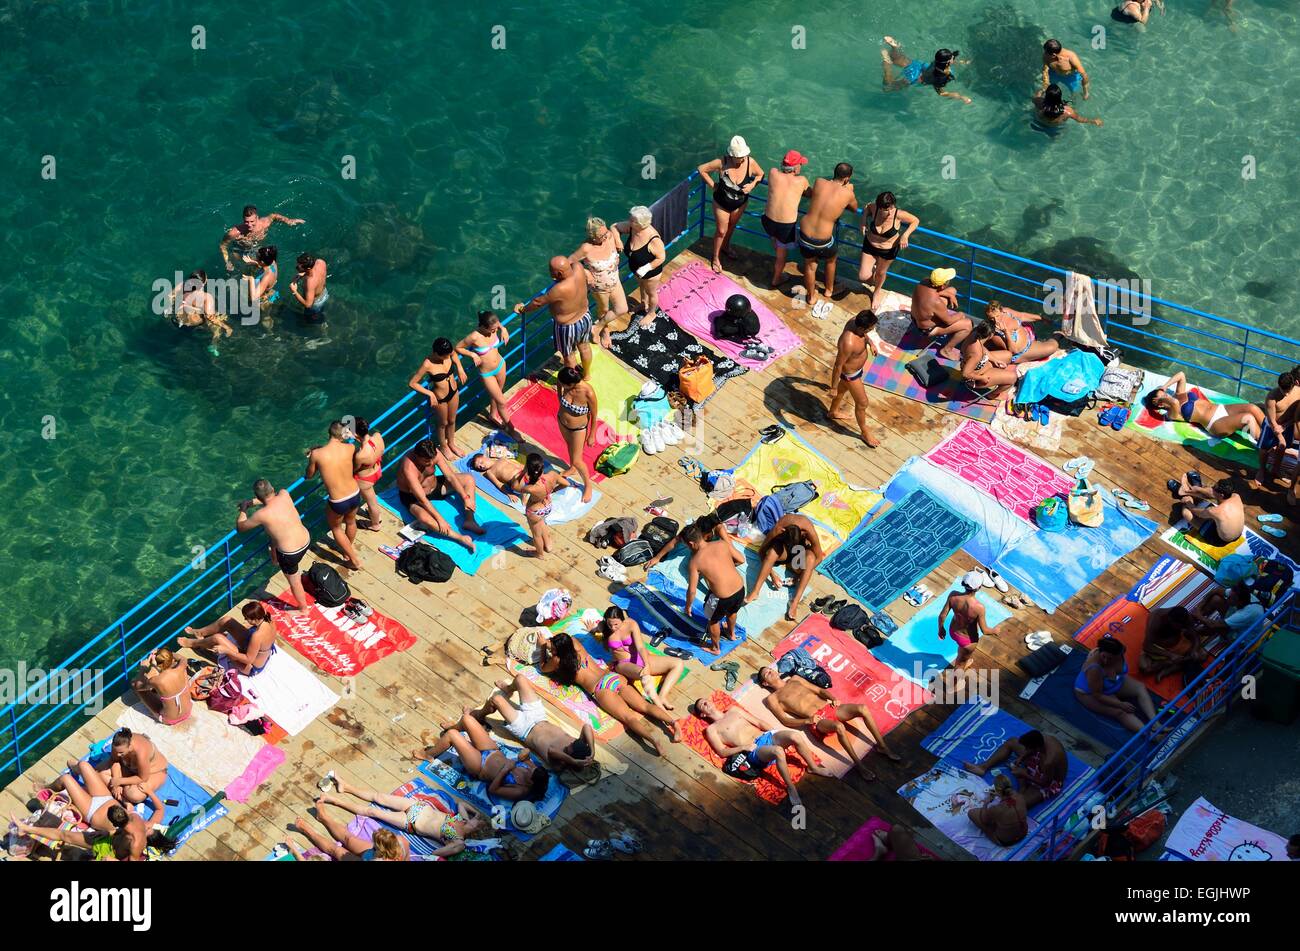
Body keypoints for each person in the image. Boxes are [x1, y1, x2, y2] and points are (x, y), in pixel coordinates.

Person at [537, 632, 680, 755]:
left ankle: (654, 741)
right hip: (612, 677)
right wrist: (552, 643)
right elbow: (566, 642)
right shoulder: (576, 645)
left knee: (629, 718)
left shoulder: (557, 661)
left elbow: (543, 667)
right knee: (644, 705)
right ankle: (673, 724)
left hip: (601, 689)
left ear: (558, 652)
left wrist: (544, 646)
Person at [757, 667, 901, 780]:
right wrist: (807, 721)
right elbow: (785, 720)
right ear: (765, 683)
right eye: (767, 674)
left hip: (829, 707)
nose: (771, 671)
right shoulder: (772, 699)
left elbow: (820, 690)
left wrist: (832, 698)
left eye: (770, 669)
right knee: (839, 726)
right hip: (817, 719)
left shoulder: (795, 679)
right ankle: (860, 765)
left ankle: (883, 746)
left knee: (862, 708)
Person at [692, 696, 834, 809]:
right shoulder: (712, 730)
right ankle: (791, 787)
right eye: (703, 705)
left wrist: (775, 732)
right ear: (703, 715)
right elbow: (722, 752)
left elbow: (759, 723)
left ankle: (813, 767)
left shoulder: (733, 710)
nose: (707, 703)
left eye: (706, 700)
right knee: (778, 751)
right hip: (754, 750)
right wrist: (743, 748)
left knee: (795, 736)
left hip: (766, 736)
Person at [314, 771, 486, 858]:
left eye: (476, 823)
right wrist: (477, 813)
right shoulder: (460, 818)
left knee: (372, 811)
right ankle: (346, 787)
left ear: (476, 832)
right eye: (475, 819)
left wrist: (445, 849)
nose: (474, 820)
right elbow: (462, 804)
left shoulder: (459, 841)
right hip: (417, 806)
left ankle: (334, 801)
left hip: (411, 822)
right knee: (378, 796)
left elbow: (437, 854)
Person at [472, 673, 597, 772]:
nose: (570, 743)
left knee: (496, 699)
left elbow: (552, 750)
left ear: (572, 757)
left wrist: (573, 762)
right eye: (573, 742)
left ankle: (479, 715)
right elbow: (587, 727)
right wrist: (592, 751)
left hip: (524, 728)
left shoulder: (560, 763)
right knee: (520, 679)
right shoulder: (576, 744)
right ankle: (508, 688)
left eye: (570, 747)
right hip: (539, 716)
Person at [421, 709, 553, 802]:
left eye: (530, 772)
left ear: (531, 781)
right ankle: (455, 726)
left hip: (480, 766)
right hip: (492, 750)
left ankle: (428, 755)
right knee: (467, 719)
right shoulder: (534, 770)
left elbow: (493, 790)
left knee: (452, 736)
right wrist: (525, 755)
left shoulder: (520, 791)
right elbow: (526, 758)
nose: (530, 768)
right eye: (532, 768)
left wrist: (505, 770)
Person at [587, 606, 686, 709]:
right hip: (623, 664)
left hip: (640, 657)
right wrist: (592, 631)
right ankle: (659, 706)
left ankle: (662, 696)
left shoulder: (631, 624)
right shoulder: (604, 627)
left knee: (678, 663)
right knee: (644, 676)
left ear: (622, 619)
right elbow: (600, 636)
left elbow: (640, 646)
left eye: (616, 624)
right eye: (610, 624)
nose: (613, 627)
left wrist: (646, 664)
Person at [236, 478, 311, 613]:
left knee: (294, 581)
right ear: (273, 489)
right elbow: (268, 498)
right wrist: (251, 502)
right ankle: (275, 557)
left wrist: (243, 509)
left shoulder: (261, 515)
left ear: (258, 496)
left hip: (290, 554)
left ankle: (303, 608)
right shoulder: (284, 494)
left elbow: (241, 527)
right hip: (306, 540)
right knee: (274, 532)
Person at [395, 438, 482, 552]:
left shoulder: (433, 453)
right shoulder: (409, 468)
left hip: (435, 486)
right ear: (417, 456)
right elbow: (422, 500)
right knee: (424, 518)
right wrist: (440, 519)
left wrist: (465, 497)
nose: (431, 463)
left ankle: (469, 520)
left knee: (468, 478)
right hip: (414, 497)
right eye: (426, 461)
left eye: (432, 459)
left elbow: (450, 476)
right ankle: (461, 538)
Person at [515, 257, 595, 377]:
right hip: (585, 317)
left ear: (559, 273)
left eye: (551, 271)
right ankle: (587, 375)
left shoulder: (559, 289)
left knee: (569, 356)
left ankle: (574, 383)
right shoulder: (578, 267)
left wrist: (522, 309)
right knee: (584, 347)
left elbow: (538, 302)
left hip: (568, 327)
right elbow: (574, 261)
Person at [797, 162, 858, 318]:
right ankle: (829, 290)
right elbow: (854, 208)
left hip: (804, 232)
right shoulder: (848, 193)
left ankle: (811, 297)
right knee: (831, 260)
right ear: (847, 178)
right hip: (822, 240)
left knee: (810, 265)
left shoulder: (818, 181)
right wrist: (849, 190)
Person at [698, 136, 763, 273]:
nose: (743, 158)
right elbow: (702, 169)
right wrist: (713, 185)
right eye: (740, 156)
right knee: (721, 231)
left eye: (745, 155)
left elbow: (760, 174)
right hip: (721, 202)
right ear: (732, 155)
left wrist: (752, 185)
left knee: (731, 226)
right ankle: (715, 257)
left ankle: (726, 247)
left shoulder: (750, 162)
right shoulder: (721, 162)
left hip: (740, 203)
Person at [306, 420, 363, 571]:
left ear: (329, 433)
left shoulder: (317, 454)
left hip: (339, 500)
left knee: (336, 528)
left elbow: (309, 475)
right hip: (355, 492)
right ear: (343, 435)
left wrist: (312, 457)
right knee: (351, 522)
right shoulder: (350, 448)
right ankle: (346, 551)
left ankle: (354, 560)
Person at [1073, 638, 1162, 734]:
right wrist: (1120, 704)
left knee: (1140, 687)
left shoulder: (1120, 650)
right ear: (1100, 652)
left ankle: (1156, 723)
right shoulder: (1094, 669)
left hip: (1112, 682)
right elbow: (1097, 695)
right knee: (1121, 712)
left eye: (1111, 658)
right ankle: (1152, 736)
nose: (1106, 661)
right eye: (1103, 657)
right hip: (1090, 693)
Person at [683, 523, 747, 654]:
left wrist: (688, 606)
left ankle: (715, 648)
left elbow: (692, 590)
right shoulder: (721, 543)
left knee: (713, 621)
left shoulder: (695, 561)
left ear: (690, 543)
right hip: (740, 589)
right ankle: (731, 634)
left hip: (722, 597)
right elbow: (741, 559)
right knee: (732, 612)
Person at [1146, 372, 1264, 442]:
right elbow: (1174, 403)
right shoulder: (1172, 413)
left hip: (1221, 409)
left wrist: (1164, 387)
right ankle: (1267, 446)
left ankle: (1272, 431)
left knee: (1252, 408)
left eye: (1165, 394)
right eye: (1163, 396)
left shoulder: (1178, 394)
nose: (1166, 395)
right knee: (1248, 418)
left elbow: (1181, 374)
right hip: (1215, 424)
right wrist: (1162, 399)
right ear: (1160, 404)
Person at [962, 729, 1067, 808]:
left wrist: (1024, 774)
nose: (1025, 750)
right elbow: (1031, 749)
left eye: (1027, 748)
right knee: (1012, 741)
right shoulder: (1042, 739)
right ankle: (983, 767)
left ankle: (1023, 787)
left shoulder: (1048, 761)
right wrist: (1023, 757)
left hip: (1048, 780)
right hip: (1037, 761)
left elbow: (1045, 783)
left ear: (1036, 748)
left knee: (1017, 806)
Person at [750, 514, 825, 620]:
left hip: (798, 554)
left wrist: (799, 576)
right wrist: (772, 574)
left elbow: (819, 558)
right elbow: (762, 551)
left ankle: (794, 602)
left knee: (811, 558)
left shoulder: (808, 530)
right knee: (771, 552)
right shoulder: (778, 529)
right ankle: (755, 591)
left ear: (803, 534)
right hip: (784, 551)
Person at [570, 217, 628, 348]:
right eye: (601, 236)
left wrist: (618, 239)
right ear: (592, 237)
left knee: (622, 308)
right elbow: (570, 262)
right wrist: (585, 272)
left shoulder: (610, 236)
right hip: (599, 286)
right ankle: (605, 333)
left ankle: (597, 327)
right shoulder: (586, 248)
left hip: (615, 280)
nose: (605, 237)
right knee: (604, 310)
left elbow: (616, 225)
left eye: (606, 232)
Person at [828, 309, 882, 449]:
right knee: (862, 403)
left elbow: (865, 335)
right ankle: (864, 432)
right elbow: (838, 366)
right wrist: (832, 388)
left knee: (842, 390)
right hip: (851, 375)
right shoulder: (848, 343)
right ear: (860, 328)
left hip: (856, 370)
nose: (872, 330)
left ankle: (833, 412)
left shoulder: (856, 320)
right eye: (869, 329)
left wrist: (871, 343)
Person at [858, 192, 919, 312]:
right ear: (879, 206)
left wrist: (905, 235)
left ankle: (876, 293)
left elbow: (915, 221)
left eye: (891, 208)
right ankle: (876, 274)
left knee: (881, 273)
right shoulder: (874, 207)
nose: (889, 211)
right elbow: (867, 207)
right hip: (870, 245)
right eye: (885, 209)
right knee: (862, 276)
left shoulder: (899, 214)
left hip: (888, 250)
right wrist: (863, 221)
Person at [180, 600, 278, 675]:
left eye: (246, 618)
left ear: (254, 619)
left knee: (218, 638)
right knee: (227, 620)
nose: (245, 620)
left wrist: (226, 650)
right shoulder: (268, 619)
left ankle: (192, 643)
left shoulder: (257, 636)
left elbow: (249, 660)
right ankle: (200, 632)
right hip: (252, 648)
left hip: (251, 667)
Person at [456, 310, 515, 433]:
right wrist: (472, 354)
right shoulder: (474, 336)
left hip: (500, 365)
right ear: (483, 326)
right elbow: (458, 347)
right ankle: (512, 430)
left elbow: (498, 324)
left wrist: (503, 328)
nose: (494, 331)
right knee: (502, 401)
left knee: (497, 394)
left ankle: (493, 415)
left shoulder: (494, 325)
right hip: (487, 373)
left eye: (495, 329)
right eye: (492, 330)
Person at [409, 337, 468, 458]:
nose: (448, 357)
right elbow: (413, 383)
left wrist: (460, 368)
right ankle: (444, 446)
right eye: (445, 356)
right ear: (436, 353)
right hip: (440, 398)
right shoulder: (427, 364)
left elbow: (454, 354)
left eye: (448, 355)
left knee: (452, 420)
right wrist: (430, 393)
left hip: (454, 391)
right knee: (442, 423)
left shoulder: (448, 351)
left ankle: (451, 443)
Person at [762, 150, 812, 288]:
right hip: (785, 227)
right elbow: (810, 193)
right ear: (796, 168)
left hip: (767, 221)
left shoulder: (772, 173)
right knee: (781, 255)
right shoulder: (801, 180)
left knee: (776, 240)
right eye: (800, 164)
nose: (801, 167)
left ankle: (775, 242)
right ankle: (776, 279)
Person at [937, 571, 1002, 671]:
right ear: (979, 587)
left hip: (953, 631)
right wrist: (995, 630)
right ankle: (955, 681)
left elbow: (942, 616)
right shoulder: (979, 608)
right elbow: (985, 630)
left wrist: (941, 629)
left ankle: (962, 657)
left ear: (963, 583)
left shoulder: (953, 595)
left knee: (961, 652)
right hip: (967, 641)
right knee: (959, 666)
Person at [614, 206, 666, 327]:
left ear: (641, 224)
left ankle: (652, 313)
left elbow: (661, 257)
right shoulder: (633, 227)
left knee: (651, 292)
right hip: (636, 269)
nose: (629, 221)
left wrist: (646, 268)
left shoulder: (654, 239)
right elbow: (614, 226)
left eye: (632, 220)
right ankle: (643, 304)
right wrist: (617, 240)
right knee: (642, 286)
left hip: (650, 272)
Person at [881, 38, 972, 104]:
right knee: (888, 86)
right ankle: (887, 65)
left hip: (921, 65)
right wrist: (961, 97)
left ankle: (895, 48)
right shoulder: (939, 80)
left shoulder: (941, 63)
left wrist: (962, 62)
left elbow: (949, 60)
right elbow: (944, 93)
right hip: (914, 77)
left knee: (902, 60)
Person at [554, 366, 598, 504]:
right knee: (569, 447)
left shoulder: (588, 393)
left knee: (578, 460)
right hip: (562, 422)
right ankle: (572, 468)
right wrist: (560, 397)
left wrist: (592, 434)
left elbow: (595, 415)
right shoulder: (565, 382)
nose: (562, 386)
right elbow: (559, 383)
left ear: (572, 383)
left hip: (578, 429)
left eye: (564, 385)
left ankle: (588, 485)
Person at [292, 811, 409, 861]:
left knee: (335, 850)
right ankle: (323, 817)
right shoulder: (402, 841)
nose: (371, 845)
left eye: (374, 847)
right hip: (375, 856)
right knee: (349, 838)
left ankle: (308, 831)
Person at [220, 204, 303, 271]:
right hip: (240, 249)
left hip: (258, 248)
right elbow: (223, 246)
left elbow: (274, 216)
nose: (249, 225)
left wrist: (289, 221)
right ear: (243, 219)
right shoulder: (234, 233)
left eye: (252, 221)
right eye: (246, 222)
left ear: (257, 218)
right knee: (242, 267)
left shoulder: (264, 224)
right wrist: (227, 261)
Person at [912, 267, 973, 360]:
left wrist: (950, 295)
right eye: (948, 281)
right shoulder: (936, 302)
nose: (949, 282)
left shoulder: (923, 282)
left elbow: (932, 295)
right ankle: (946, 350)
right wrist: (961, 314)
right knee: (967, 325)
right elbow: (948, 321)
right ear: (942, 286)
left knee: (952, 290)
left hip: (914, 317)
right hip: (927, 329)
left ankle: (944, 308)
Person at [642, 512, 732, 573]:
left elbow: (730, 548)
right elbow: (675, 541)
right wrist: (657, 557)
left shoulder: (719, 529)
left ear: (708, 532)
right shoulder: (694, 527)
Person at [99, 727, 169, 805]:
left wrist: (119, 781)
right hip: (131, 768)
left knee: (134, 795)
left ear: (130, 746)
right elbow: (115, 760)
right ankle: (124, 800)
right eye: (117, 751)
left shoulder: (141, 753)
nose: (118, 754)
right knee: (101, 774)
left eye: (121, 752)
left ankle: (124, 799)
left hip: (153, 772)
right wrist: (116, 782)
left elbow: (143, 778)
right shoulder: (118, 743)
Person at [1169, 475, 1245, 545]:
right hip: (1236, 533)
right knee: (1212, 496)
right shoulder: (1236, 496)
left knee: (1186, 512)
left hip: (1219, 539)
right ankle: (1188, 490)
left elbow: (1195, 511)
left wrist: (1188, 501)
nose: (1212, 488)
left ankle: (1184, 495)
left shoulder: (1215, 511)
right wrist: (1198, 489)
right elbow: (1212, 493)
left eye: (1214, 488)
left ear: (1221, 495)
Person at [1254, 370, 1300, 486]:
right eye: (1283, 390)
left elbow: (1296, 416)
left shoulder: (1298, 393)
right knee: (1264, 449)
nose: (1286, 394)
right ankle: (1262, 469)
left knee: (1282, 449)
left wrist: (1285, 426)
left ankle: (1275, 470)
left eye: (1288, 390)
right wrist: (1280, 436)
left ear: (1294, 384)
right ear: (1278, 386)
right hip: (1271, 426)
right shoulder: (1272, 396)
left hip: (1287, 426)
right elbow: (1271, 420)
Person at [1139, 606, 1206, 684]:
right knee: (1145, 668)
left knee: (1202, 655)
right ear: (1169, 620)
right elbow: (1147, 646)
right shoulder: (1155, 619)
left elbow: (1194, 635)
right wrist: (1170, 655)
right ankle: (1172, 664)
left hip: (1179, 645)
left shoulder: (1186, 617)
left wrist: (1194, 649)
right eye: (1177, 626)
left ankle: (1169, 670)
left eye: (1181, 627)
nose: (1179, 628)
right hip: (1158, 649)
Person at [512, 453, 561, 558]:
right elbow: (567, 483)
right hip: (547, 506)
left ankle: (539, 554)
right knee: (542, 523)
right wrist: (552, 491)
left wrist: (523, 472)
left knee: (536, 535)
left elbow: (515, 486)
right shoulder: (552, 475)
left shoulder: (530, 488)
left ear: (528, 470)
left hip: (534, 512)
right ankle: (548, 546)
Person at [131, 647, 197, 726]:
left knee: (134, 684)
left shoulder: (156, 680)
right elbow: (182, 658)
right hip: (187, 711)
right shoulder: (181, 667)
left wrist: (143, 668)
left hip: (169, 719)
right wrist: (166, 654)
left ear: (156, 663)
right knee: (178, 678)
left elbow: (137, 686)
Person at [168, 269, 232, 349]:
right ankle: (213, 346)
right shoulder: (207, 297)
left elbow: (170, 296)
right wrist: (227, 327)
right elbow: (210, 318)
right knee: (218, 327)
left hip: (178, 318)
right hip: (194, 322)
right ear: (204, 282)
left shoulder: (182, 285)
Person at [983, 300, 1061, 363]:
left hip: (1028, 339)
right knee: (1053, 347)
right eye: (991, 319)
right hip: (1022, 353)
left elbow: (1022, 316)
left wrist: (1042, 318)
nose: (996, 320)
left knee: (1030, 326)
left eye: (997, 316)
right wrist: (1006, 331)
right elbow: (1013, 351)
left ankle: (1045, 341)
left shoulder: (1007, 312)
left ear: (1001, 311)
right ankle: (1057, 336)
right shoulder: (994, 333)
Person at [960, 322, 1020, 401]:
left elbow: (982, 348)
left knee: (1008, 355)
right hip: (975, 378)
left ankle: (998, 374)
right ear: (991, 335)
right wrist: (982, 378)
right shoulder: (976, 354)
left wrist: (995, 360)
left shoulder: (975, 334)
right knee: (1013, 378)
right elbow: (965, 374)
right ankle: (992, 394)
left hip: (976, 365)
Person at [967, 774, 1029, 846]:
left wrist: (986, 803)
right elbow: (1010, 800)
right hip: (1023, 834)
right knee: (1004, 819)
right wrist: (999, 794)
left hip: (1006, 841)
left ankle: (993, 837)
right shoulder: (1020, 797)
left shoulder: (997, 809)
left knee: (971, 813)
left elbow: (984, 820)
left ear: (998, 791)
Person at [351, 417, 385, 532]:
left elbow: (354, 469)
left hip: (365, 480)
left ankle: (375, 524)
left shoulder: (360, 455)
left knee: (372, 503)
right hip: (377, 470)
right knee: (372, 499)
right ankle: (375, 515)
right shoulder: (377, 436)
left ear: (355, 435)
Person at [1033, 84, 1103, 131]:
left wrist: (1042, 89)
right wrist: (1093, 121)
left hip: (1038, 124)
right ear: (1059, 97)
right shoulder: (1067, 111)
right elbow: (1079, 119)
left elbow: (1035, 97)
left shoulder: (1039, 102)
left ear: (1046, 96)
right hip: (1055, 129)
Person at [290, 253, 329, 320]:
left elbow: (308, 305)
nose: (296, 267)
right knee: (319, 311)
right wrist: (305, 273)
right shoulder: (321, 262)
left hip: (316, 303)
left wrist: (294, 291)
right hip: (324, 293)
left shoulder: (310, 282)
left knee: (308, 319)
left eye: (299, 267)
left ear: (308, 268)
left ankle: (319, 325)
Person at [242, 245, 280, 313]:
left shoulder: (267, 277)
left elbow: (254, 298)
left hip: (261, 300)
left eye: (257, 258)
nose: (256, 259)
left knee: (265, 320)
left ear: (262, 262)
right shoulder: (272, 262)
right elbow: (267, 267)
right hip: (268, 291)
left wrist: (251, 279)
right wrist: (254, 263)